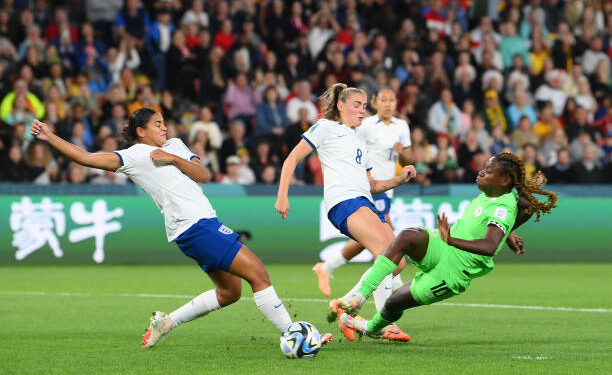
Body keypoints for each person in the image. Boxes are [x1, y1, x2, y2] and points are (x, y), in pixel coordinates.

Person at [30, 108, 331, 349]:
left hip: (205, 224)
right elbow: (85, 157)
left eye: (164, 123)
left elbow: (203, 175)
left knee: (230, 292)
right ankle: (294, 333)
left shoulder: (174, 145)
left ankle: (167, 322)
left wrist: (173, 158)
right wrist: (50, 137)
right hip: (193, 227)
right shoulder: (133, 156)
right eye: (157, 124)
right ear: (140, 131)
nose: (164, 128)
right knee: (259, 274)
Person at [333, 153, 557, 339]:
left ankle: (370, 328)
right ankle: (359, 297)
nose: (481, 173)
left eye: (488, 172)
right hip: (443, 245)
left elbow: (489, 245)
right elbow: (517, 211)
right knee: (408, 236)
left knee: (393, 303)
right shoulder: (497, 195)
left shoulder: (504, 206)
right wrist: (508, 233)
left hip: (454, 271)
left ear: (505, 180)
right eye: (483, 169)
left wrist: (454, 240)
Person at [275, 83, 416, 341]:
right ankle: (385, 324)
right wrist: (283, 195)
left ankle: (347, 307)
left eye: (364, 106)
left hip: (364, 201)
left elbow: (374, 185)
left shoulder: (359, 139)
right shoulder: (325, 127)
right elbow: (292, 158)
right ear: (340, 106)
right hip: (345, 202)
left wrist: (400, 179)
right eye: (356, 105)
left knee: (399, 261)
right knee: (387, 254)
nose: (362, 110)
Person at [312, 87, 412, 303]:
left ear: (396, 103)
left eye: (391, 99)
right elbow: (347, 145)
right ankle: (385, 289)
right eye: (383, 99)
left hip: (385, 187)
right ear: (376, 103)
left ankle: (330, 269)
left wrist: (403, 155)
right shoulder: (364, 125)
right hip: (363, 187)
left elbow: (407, 157)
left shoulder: (402, 126)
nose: (387, 104)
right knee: (387, 246)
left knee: (376, 241)